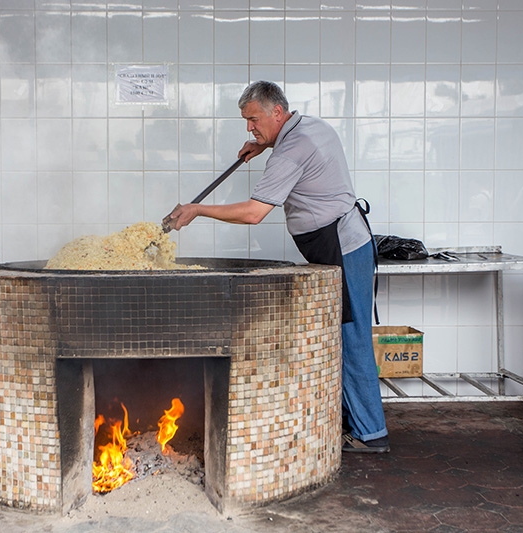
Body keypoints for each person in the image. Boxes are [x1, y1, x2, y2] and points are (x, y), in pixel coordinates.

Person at [165, 80, 389, 453]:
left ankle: (371, 433)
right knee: (342, 335)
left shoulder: (292, 150)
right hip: (342, 241)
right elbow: (291, 149)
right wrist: (265, 143)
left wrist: (197, 210)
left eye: (253, 120)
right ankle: (357, 420)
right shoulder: (307, 127)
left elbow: (254, 213)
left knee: (351, 337)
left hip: (343, 247)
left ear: (276, 113)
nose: (249, 128)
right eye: (247, 122)